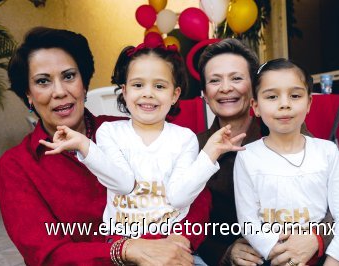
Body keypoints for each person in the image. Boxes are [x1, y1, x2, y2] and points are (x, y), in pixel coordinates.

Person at [0, 26, 210, 266]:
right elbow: (44, 253)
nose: (59, 92)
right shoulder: (17, 165)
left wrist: (178, 242)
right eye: (43, 81)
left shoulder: (127, 131)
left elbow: (197, 196)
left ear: (84, 84)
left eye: (69, 76)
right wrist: (126, 250)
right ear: (28, 94)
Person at [39, 43, 246, 254]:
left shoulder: (185, 138)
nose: (148, 93)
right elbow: (123, 183)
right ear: (124, 91)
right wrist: (85, 146)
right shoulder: (109, 132)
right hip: (124, 241)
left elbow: (179, 197)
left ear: (174, 95)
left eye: (159, 86)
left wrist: (209, 154)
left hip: (171, 239)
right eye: (138, 85)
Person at [196, 39, 339, 266]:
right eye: (215, 81)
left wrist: (316, 238)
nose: (226, 88)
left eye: (236, 78)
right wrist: (224, 252)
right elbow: (180, 218)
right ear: (204, 93)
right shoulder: (195, 147)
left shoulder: (288, 129)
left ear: (253, 87)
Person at [234, 58, 339, 266]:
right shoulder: (247, 156)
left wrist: (334, 260)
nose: (284, 104)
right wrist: (279, 254)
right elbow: (248, 222)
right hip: (272, 257)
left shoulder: (326, 152)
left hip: (320, 257)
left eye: (295, 95)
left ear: (309, 103)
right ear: (255, 106)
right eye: (272, 96)